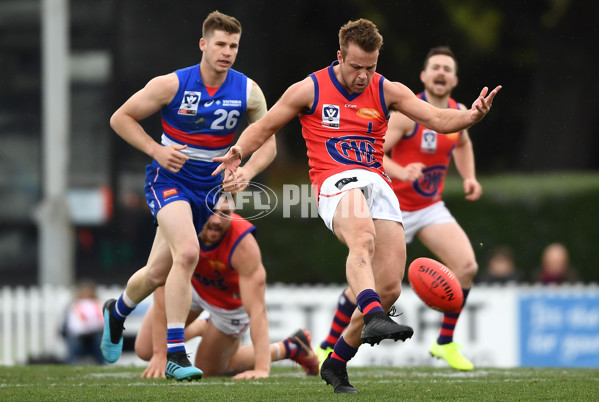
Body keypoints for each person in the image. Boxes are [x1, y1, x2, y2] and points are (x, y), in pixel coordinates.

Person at [213, 21, 501, 393]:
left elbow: (438, 119)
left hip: (376, 182)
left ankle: (336, 362)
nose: (364, 76)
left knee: (390, 287)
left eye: (371, 67)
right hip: (332, 181)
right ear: (340, 57)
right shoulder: (310, 88)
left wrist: (472, 116)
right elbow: (265, 126)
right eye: (356, 67)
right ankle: (375, 315)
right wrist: (239, 150)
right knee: (362, 238)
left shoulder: (387, 90)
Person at [101, 11, 276, 381]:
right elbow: (121, 118)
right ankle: (178, 353)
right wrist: (156, 150)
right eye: (221, 44)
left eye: (233, 46)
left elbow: (268, 143)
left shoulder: (248, 91)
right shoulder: (172, 84)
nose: (227, 52)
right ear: (203, 44)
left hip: (208, 189)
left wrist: (247, 170)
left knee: (156, 272)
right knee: (189, 253)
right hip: (169, 179)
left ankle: (116, 312)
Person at [314, 46, 490, 372]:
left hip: (428, 207)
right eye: (434, 67)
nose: (440, 73)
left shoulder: (459, 111)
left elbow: (462, 143)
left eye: (447, 69)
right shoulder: (408, 113)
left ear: (454, 78)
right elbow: (373, 154)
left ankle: (445, 343)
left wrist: (469, 177)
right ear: (423, 76)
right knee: (371, 282)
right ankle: (328, 345)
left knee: (466, 266)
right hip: (391, 207)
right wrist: (400, 172)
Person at [134, 196, 319, 379]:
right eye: (211, 212)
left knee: (208, 370)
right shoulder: (183, 224)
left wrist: (262, 369)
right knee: (145, 350)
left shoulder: (243, 245)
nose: (216, 221)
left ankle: (290, 347)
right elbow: (160, 286)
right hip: (193, 289)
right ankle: (201, 327)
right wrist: (159, 353)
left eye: (225, 213)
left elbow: (257, 311)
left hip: (229, 307)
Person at [61, 280, 105, 365]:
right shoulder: (72, 306)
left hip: (96, 335)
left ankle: (102, 363)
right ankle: (71, 363)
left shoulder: (99, 305)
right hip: (77, 336)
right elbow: (66, 327)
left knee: (99, 341)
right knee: (74, 342)